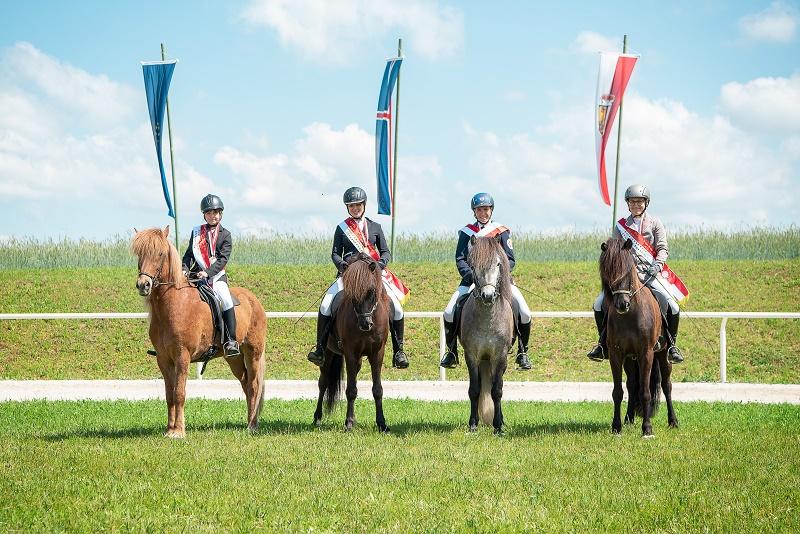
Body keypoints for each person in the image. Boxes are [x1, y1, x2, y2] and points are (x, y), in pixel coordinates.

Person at [307, 186, 410, 369]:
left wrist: (379, 265)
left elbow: (385, 252)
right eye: (351, 206)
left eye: (358, 205)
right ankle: (320, 348)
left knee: (397, 307)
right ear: (348, 208)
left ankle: (399, 351)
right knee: (325, 304)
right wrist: (342, 265)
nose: (355, 208)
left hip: (373, 274)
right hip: (350, 276)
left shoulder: (375, 227)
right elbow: (335, 254)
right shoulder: (342, 228)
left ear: (364, 205)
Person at [587, 184, 685, 364]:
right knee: (599, 304)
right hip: (626, 277)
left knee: (673, 306)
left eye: (640, 202)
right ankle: (602, 344)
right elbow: (615, 250)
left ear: (646, 203)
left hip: (650, 274)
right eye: (633, 202)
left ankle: (671, 346)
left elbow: (662, 248)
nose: (636, 205)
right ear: (628, 204)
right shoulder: (621, 226)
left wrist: (656, 265)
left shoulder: (655, 223)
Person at [439, 192, 533, 371]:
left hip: (500, 282)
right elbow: (460, 258)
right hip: (472, 281)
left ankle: (523, 352)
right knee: (449, 311)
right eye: (480, 209)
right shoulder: (467, 232)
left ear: (492, 210)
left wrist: (500, 276)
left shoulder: (502, 231)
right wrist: (471, 275)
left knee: (525, 312)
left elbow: (510, 259)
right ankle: (451, 351)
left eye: (487, 209)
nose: (484, 213)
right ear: (474, 212)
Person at [181, 194, 240, 358]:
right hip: (197, 278)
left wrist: (208, 272)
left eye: (215, 212)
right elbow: (188, 255)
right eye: (209, 213)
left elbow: (222, 259)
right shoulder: (196, 233)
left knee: (226, 300)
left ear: (220, 213)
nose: (212, 216)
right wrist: (184, 268)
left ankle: (230, 340)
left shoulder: (225, 235)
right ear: (204, 215)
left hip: (216, 277)